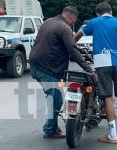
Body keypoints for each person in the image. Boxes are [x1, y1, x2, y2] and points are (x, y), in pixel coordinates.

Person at [75, 2, 117, 144]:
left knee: (107, 97)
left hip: (101, 62)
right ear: (110, 11)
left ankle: (113, 135)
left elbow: (78, 35)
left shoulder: (93, 22)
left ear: (97, 13)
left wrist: (72, 46)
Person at [29, 6, 93, 139]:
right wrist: (89, 70)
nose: (73, 22)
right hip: (46, 68)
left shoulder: (49, 22)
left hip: (36, 65)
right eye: (74, 20)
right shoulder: (65, 28)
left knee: (54, 96)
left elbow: (57, 44)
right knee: (56, 98)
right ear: (72, 17)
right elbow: (73, 50)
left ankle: (53, 126)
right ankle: (50, 130)